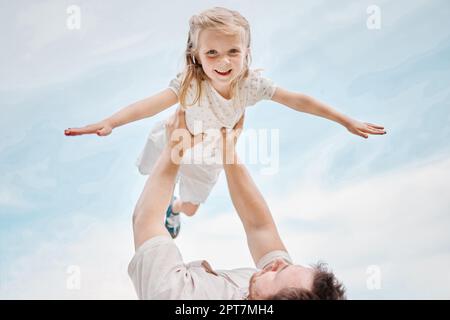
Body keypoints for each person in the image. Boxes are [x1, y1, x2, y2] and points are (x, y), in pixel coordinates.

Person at [64, 7, 386, 238]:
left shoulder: (250, 86)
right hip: (175, 140)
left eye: (233, 50)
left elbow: (298, 100)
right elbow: (148, 105)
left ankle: (173, 210)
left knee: (190, 208)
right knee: (152, 180)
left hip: (208, 158)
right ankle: (161, 205)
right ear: (197, 54)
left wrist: (345, 120)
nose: (224, 61)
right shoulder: (191, 83)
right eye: (213, 53)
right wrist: (111, 122)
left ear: (246, 52)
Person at [129, 107, 346, 300]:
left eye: (278, 273)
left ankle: (174, 210)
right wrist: (228, 151)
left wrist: (174, 147)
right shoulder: (270, 286)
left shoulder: (175, 296)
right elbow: (260, 227)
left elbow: (146, 220)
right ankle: (175, 209)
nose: (279, 264)